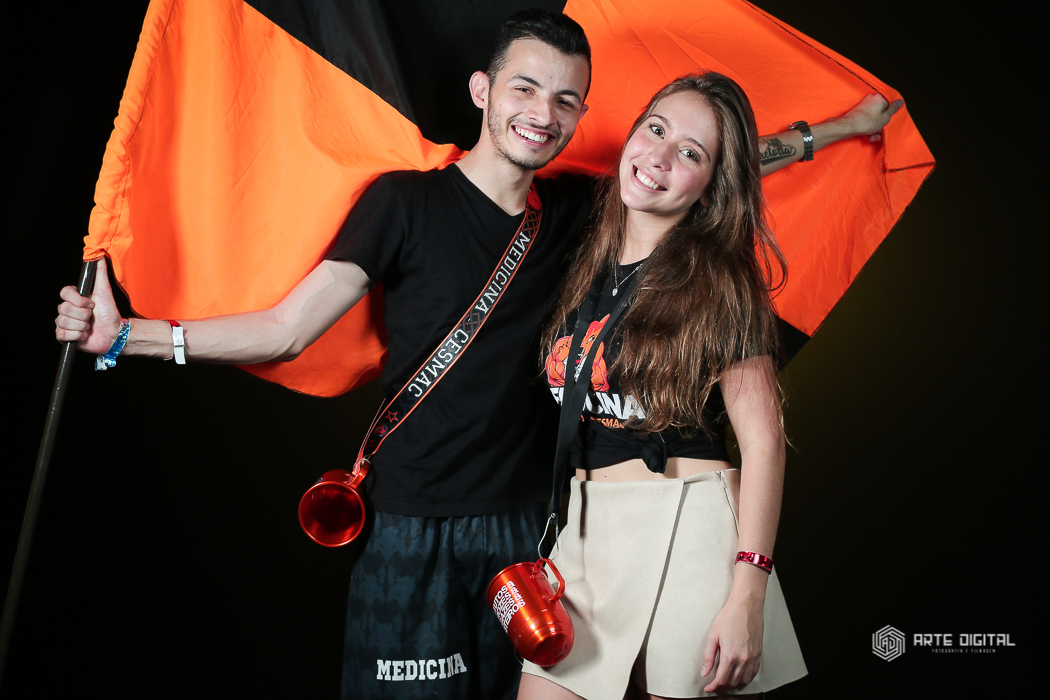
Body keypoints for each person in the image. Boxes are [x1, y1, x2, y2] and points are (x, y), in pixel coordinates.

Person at [54, 10, 900, 699]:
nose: (543, 112)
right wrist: (126, 336)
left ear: (580, 116)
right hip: (408, 521)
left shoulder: (580, 214)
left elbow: (709, 165)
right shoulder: (403, 205)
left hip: (527, 533)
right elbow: (287, 328)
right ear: (483, 90)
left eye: (566, 99)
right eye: (525, 87)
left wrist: (837, 131)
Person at [520, 73, 813, 700]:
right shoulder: (584, 255)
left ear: (709, 187)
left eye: (690, 153)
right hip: (588, 534)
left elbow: (763, 444)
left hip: (692, 529)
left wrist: (748, 591)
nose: (658, 156)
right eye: (655, 129)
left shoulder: (723, 282)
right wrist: (832, 131)